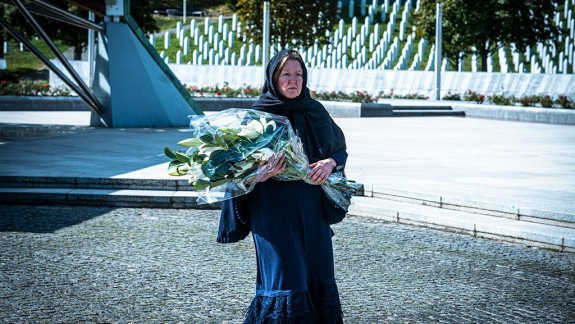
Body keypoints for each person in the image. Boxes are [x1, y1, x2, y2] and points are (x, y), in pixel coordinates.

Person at [217, 48, 348, 323]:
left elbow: (339, 150)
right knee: (285, 279)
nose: (293, 80)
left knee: (317, 274)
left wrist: (330, 164)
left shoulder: (315, 110)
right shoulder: (258, 116)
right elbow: (236, 171)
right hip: (272, 211)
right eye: (286, 74)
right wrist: (258, 174)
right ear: (274, 78)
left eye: (298, 74)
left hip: (312, 211)